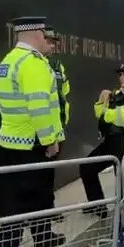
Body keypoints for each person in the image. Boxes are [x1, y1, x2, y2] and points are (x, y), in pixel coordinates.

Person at [0, 17, 67, 247]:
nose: (48, 39)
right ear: (35, 34)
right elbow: (38, 107)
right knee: (22, 197)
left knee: (38, 193)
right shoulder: (32, 64)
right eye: (45, 34)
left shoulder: (11, 59)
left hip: (14, 140)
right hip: (30, 142)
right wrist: (49, 140)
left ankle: (42, 235)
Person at [78, 61, 124, 219]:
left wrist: (107, 110)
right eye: (120, 74)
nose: (122, 77)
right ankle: (98, 206)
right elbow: (98, 112)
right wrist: (101, 100)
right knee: (87, 168)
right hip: (111, 142)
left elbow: (120, 118)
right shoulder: (117, 93)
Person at [42, 28, 71, 212]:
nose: (52, 46)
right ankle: (43, 211)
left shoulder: (58, 65)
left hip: (58, 125)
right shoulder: (37, 64)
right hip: (43, 130)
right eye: (49, 41)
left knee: (50, 172)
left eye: (54, 43)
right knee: (41, 174)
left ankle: (48, 207)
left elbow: (64, 91)